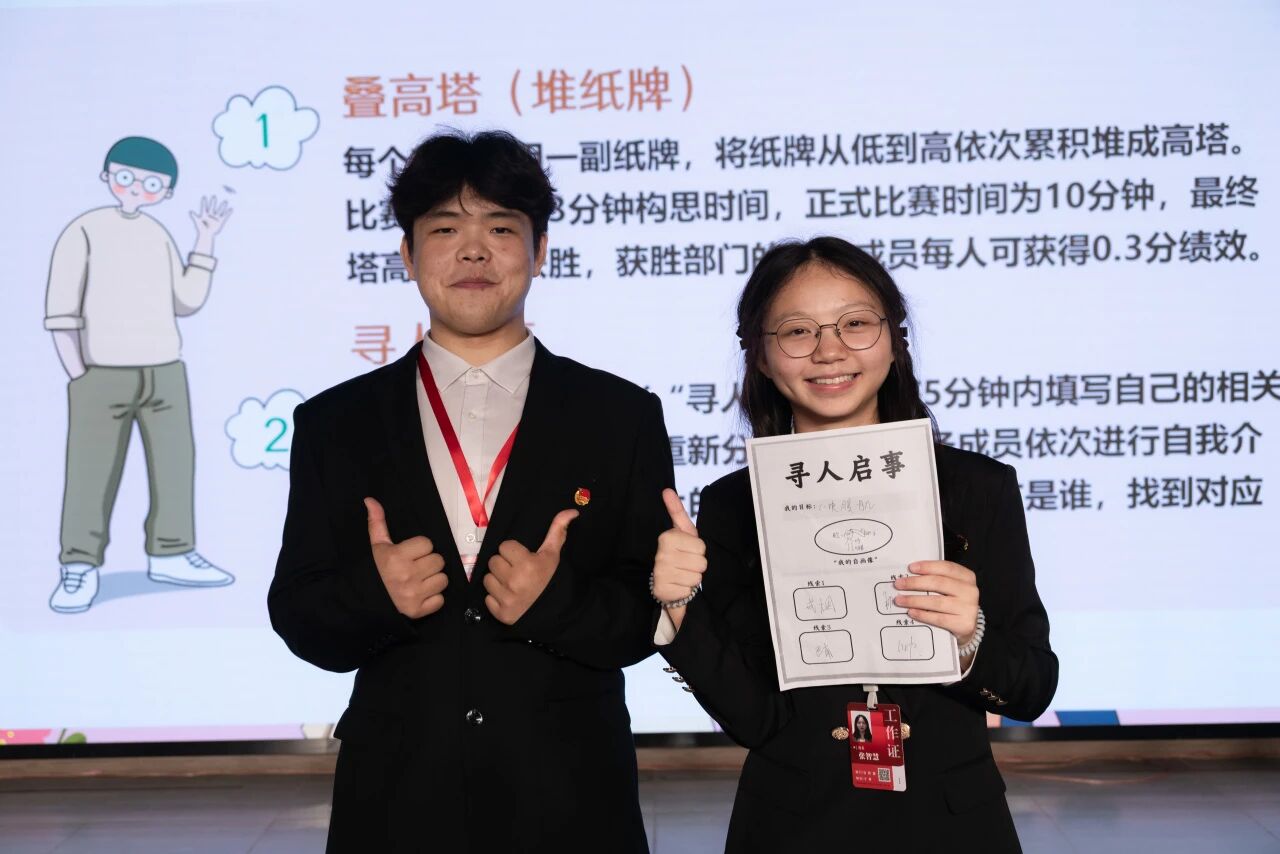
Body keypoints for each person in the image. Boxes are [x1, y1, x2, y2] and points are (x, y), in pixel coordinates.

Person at [268, 130, 672, 853]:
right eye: (446, 229)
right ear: (407, 254)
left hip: (571, 798)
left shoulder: (620, 416)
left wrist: (559, 604)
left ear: (540, 252)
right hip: (396, 800)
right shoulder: (335, 422)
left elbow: (653, 613)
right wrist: (374, 595)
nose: (475, 251)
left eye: (501, 229)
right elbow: (299, 614)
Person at [651, 237, 1057, 852]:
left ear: (894, 340)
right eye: (797, 331)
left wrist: (968, 639)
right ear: (761, 358)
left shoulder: (978, 488)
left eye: (856, 324)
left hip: (952, 825)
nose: (829, 350)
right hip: (791, 827)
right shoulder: (734, 503)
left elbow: (1032, 689)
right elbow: (752, 718)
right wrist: (679, 607)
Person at [44, 136, 234, 614]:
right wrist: (78, 373)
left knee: (175, 465)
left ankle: (171, 552)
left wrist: (205, 239)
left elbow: (186, 300)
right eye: (126, 177)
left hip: (164, 371)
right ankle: (78, 565)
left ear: (164, 192)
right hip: (100, 374)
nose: (135, 188)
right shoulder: (84, 229)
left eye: (151, 184)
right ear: (108, 176)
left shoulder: (156, 233)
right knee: (90, 473)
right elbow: (62, 308)